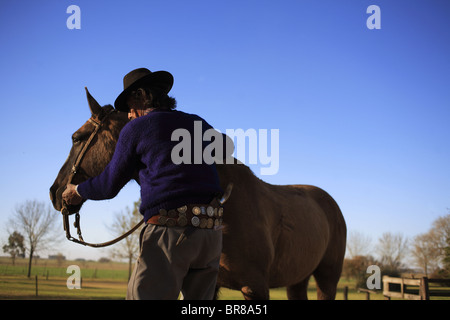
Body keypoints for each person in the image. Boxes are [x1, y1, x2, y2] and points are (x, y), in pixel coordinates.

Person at [62, 68, 230, 300]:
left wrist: (79, 190)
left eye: (130, 107)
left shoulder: (136, 128)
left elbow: (108, 184)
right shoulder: (195, 122)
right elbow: (226, 148)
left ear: (142, 96)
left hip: (170, 233)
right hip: (211, 233)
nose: (129, 115)